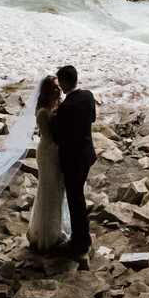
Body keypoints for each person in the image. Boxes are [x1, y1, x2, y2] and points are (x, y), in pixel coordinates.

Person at [49, 64, 96, 260]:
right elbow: (92, 118)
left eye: (60, 82)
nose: (59, 86)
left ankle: (80, 242)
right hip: (86, 155)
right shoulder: (88, 95)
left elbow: (58, 137)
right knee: (78, 198)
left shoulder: (66, 108)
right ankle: (83, 238)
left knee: (75, 200)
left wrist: (53, 118)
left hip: (73, 160)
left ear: (66, 82)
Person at [26, 74, 70, 252]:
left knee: (56, 191)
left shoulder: (54, 107)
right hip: (48, 152)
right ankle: (46, 236)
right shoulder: (43, 112)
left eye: (58, 87)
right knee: (48, 191)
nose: (58, 90)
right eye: (54, 87)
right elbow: (50, 136)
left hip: (54, 150)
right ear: (46, 91)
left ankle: (53, 229)